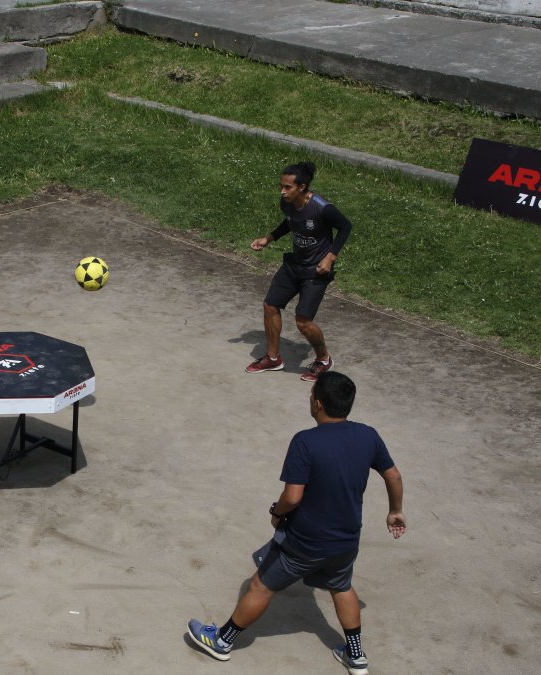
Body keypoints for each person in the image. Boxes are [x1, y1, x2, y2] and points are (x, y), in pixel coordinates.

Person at [185, 371, 405, 674]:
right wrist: (395, 510)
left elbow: (293, 496)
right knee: (341, 587)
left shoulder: (305, 442)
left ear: (317, 403)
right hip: (346, 540)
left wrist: (277, 511)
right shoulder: (368, 435)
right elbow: (393, 475)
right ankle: (356, 655)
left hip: (304, 543)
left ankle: (222, 641)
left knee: (261, 585)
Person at [246, 161, 352, 381]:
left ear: (302, 187)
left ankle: (323, 359)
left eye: (287, 187)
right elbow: (290, 222)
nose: (282, 191)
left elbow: (345, 227)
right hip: (294, 265)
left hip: (316, 271)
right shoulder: (287, 203)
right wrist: (269, 238)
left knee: (303, 321)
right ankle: (273, 358)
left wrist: (330, 257)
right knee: (270, 305)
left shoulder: (323, 208)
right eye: (281, 186)